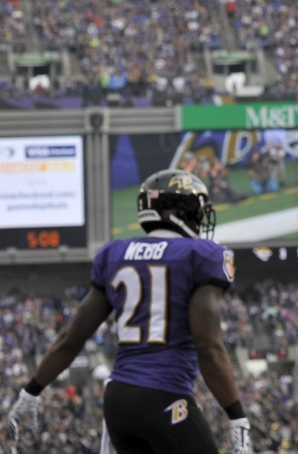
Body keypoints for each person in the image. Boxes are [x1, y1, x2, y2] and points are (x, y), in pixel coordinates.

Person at [4, 169, 252, 454]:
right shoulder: (202, 255)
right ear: (180, 212)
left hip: (118, 402)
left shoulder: (115, 254)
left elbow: (71, 338)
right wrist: (236, 415)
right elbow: (208, 348)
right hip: (166, 397)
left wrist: (31, 390)